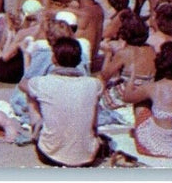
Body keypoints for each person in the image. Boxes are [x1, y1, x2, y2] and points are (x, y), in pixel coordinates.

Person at [22, 36, 109, 167]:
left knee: (31, 95)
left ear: (54, 58)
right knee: (91, 102)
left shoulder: (42, 82)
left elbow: (22, 84)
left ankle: (36, 128)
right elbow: (94, 122)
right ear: (79, 59)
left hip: (50, 154)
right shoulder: (94, 84)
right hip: (87, 156)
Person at [121, 41, 172, 158]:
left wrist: (132, 77)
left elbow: (127, 97)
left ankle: (151, 135)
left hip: (157, 145)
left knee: (141, 104)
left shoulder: (155, 87)